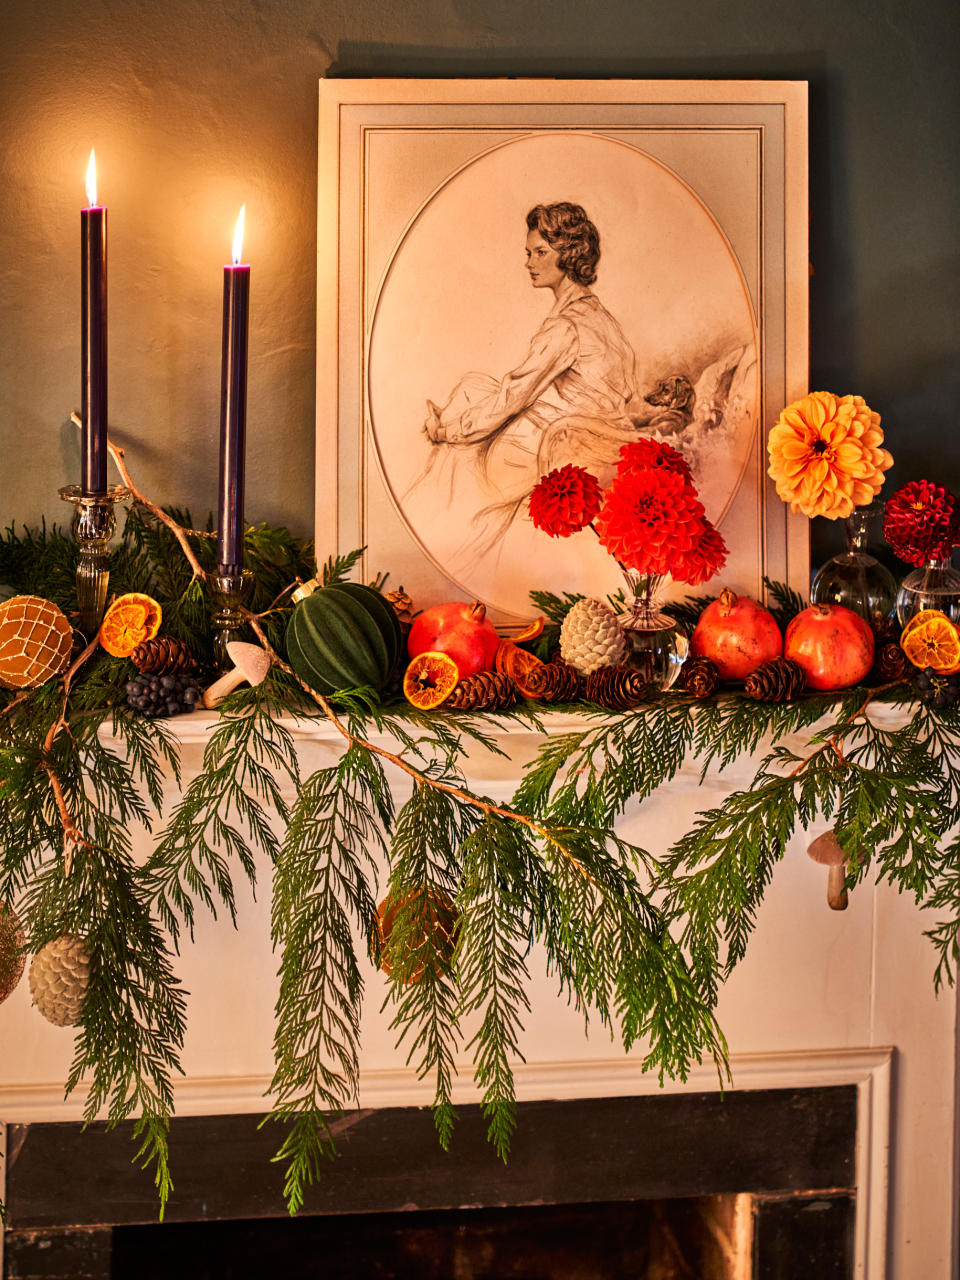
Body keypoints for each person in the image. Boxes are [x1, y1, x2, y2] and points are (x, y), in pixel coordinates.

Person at [417, 203, 648, 553]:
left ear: (569, 255)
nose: (529, 262)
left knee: (459, 439)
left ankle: (437, 523)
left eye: (540, 252)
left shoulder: (565, 326)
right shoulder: (599, 315)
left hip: (573, 446)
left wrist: (448, 431)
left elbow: (514, 395)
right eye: (528, 253)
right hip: (597, 434)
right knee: (472, 387)